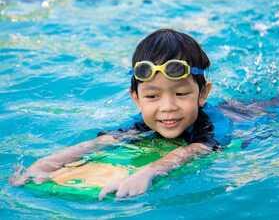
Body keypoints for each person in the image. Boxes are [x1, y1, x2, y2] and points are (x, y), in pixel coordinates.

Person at [10, 29, 232, 200]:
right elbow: (103, 141)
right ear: (136, 98)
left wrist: (149, 172)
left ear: (203, 94)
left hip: (251, 115)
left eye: (181, 93)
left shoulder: (212, 124)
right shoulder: (144, 123)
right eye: (152, 97)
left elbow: (195, 150)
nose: (167, 107)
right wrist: (47, 163)